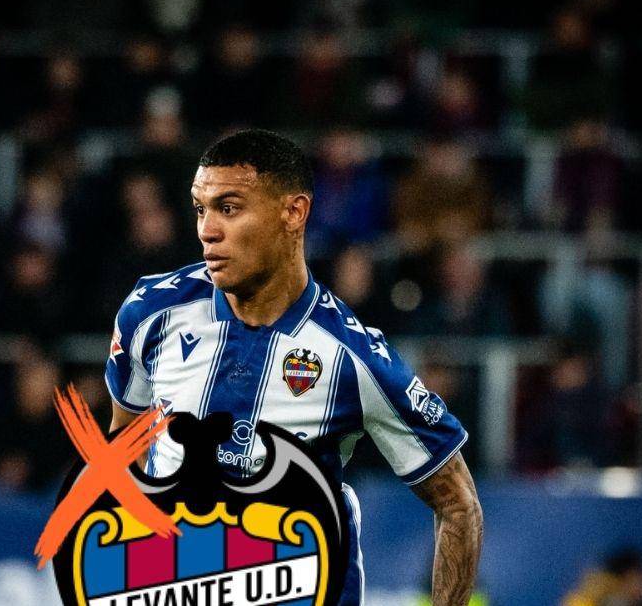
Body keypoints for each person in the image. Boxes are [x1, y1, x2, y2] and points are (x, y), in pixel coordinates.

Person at [106, 130, 483, 605]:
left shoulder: (352, 356)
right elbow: (126, 441)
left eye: (229, 208)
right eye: (201, 209)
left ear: (294, 212)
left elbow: (458, 504)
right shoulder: (150, 313)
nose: (207, 230)